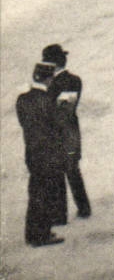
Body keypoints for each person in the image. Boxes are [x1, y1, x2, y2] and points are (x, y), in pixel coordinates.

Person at [17, 60, 68, 246]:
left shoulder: (22, 100)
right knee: (45, 195)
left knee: (35, 192)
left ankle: (33, 233)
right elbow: (58, 126)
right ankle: (41, 235)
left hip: (32, 152)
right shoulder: (47, 101)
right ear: (49, 79)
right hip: (48, 154)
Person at [40, 44, 89, 220]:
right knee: (68, 170)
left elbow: (65, 109)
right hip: (67, 132)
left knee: (69, 170)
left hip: (64, 131)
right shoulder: (69, 80)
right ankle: (78, 209)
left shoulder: (67, 81)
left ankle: (74, 210)